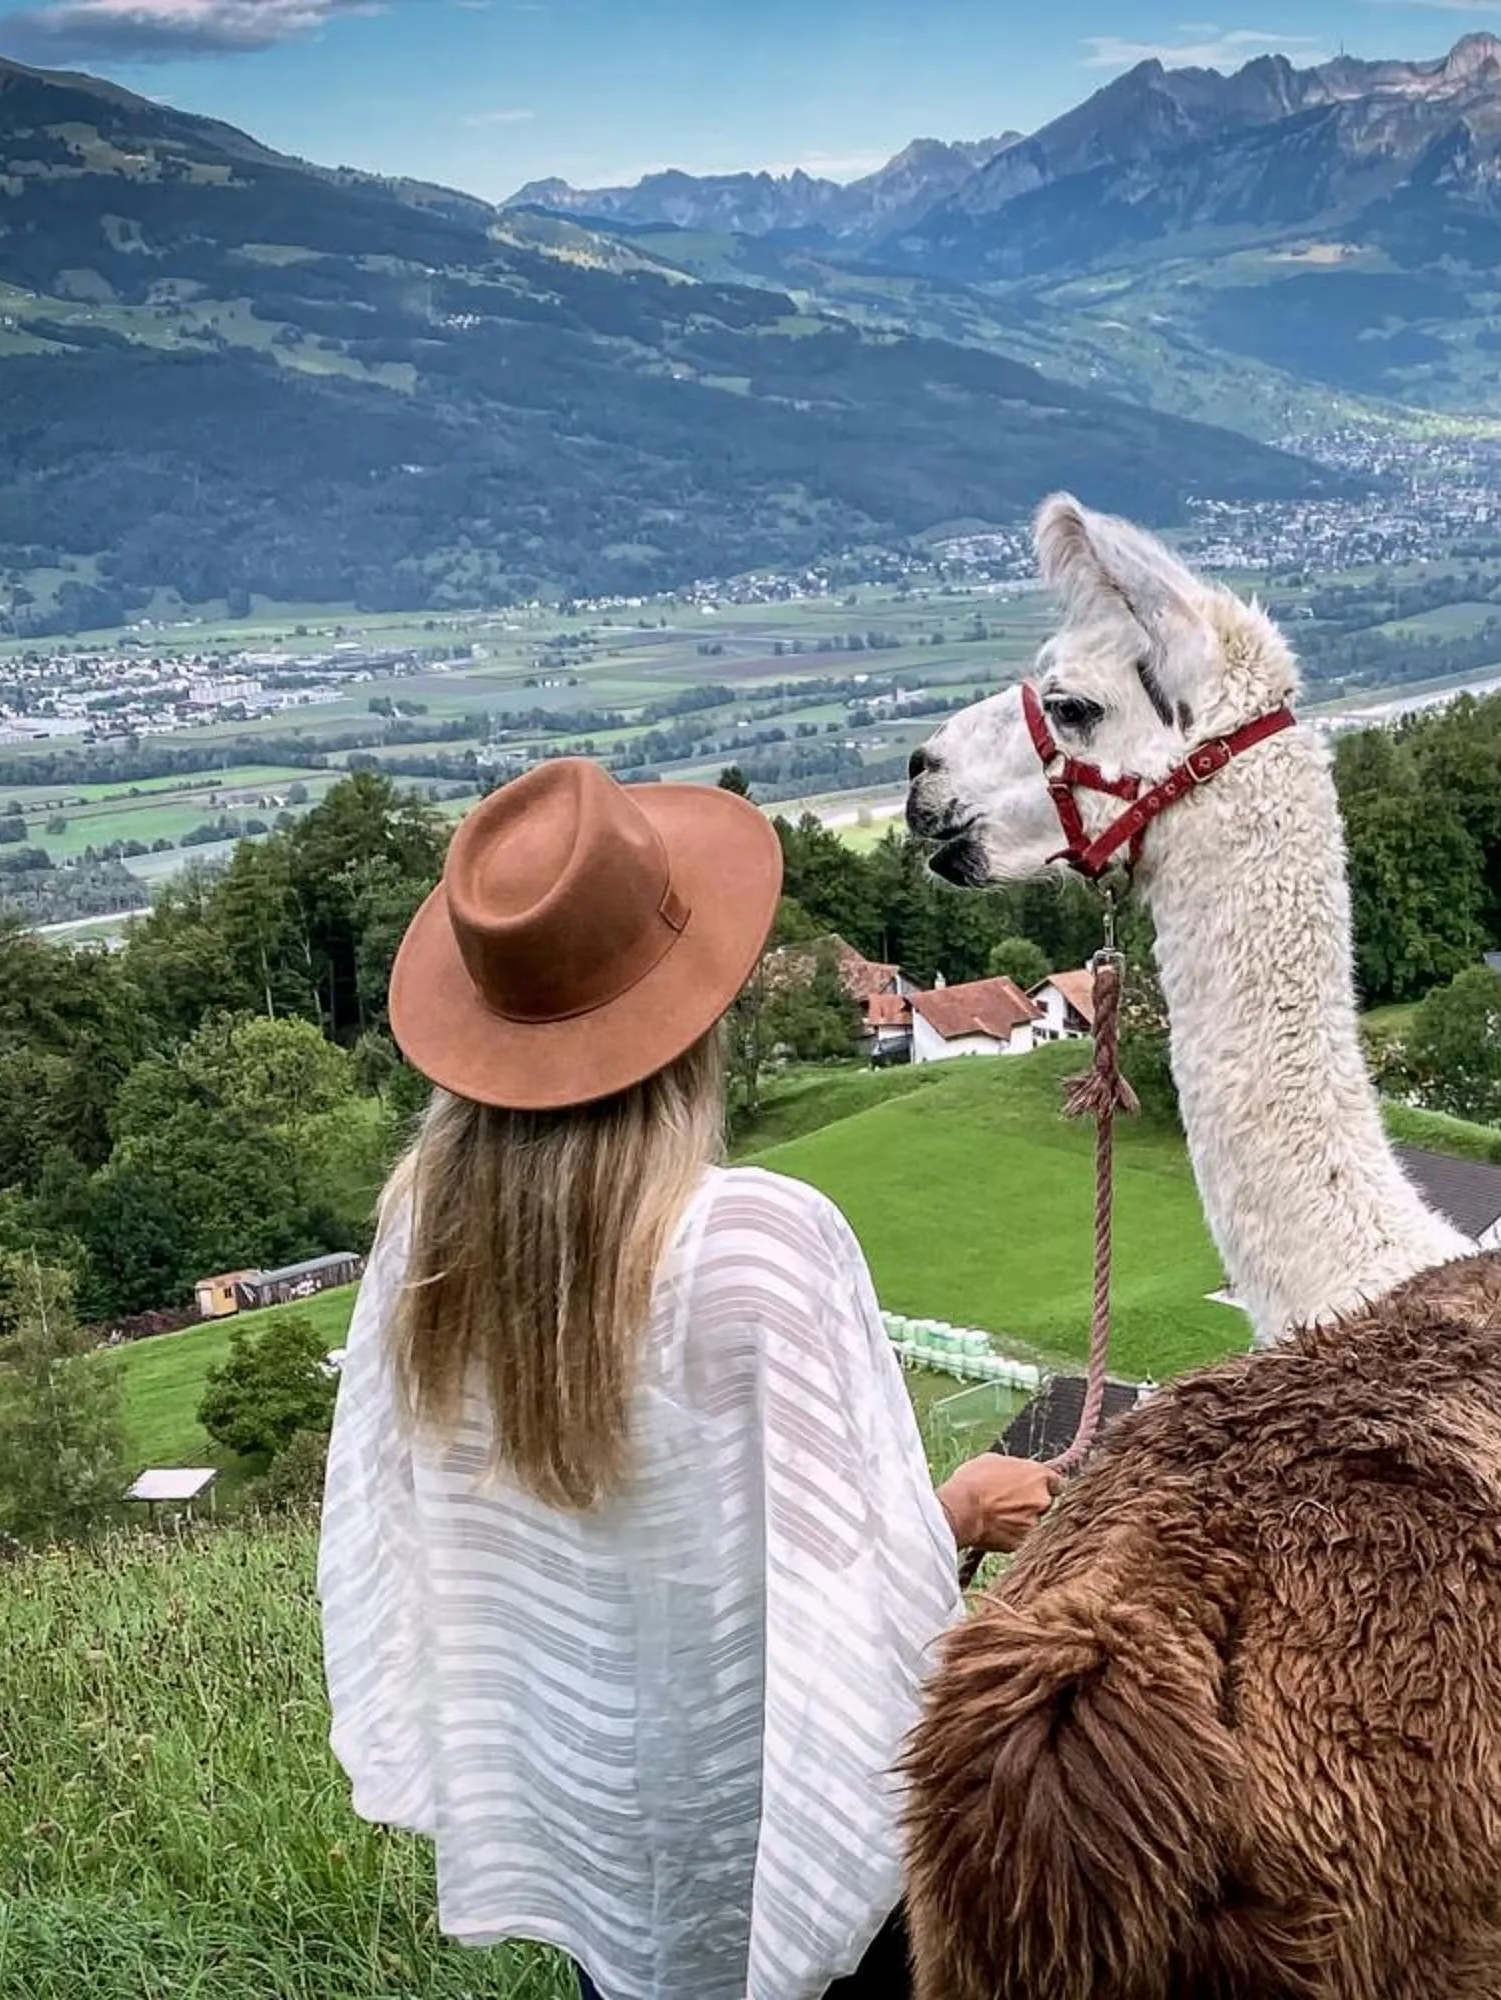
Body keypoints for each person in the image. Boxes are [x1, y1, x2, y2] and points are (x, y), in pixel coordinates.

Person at [318, 757, 1062, 2000]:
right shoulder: (757, 1242)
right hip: (773, 1822)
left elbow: (456, 1550)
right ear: (693, 1006)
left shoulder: (422, 1241)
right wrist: (964, 1513)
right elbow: (853, 1620)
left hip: (599, 1819)